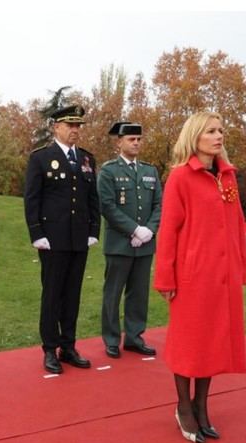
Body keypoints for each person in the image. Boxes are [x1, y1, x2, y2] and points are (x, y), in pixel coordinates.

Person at [154, 111, 246, 443]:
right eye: (211, 130)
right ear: (195, 136)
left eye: (221, 129)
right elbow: (168, 231)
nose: (219, 135)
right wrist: (165, 277)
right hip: (192, 276)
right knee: (188, 343)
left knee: (213, 342)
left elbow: (236, 224)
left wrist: (240, 268)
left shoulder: (227, 176)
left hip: (223, 277)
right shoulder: (181, 177)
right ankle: (183, 406)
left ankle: (201, 406)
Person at [24, 105, 101, 374]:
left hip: (79, 238)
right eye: (70, 125)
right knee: (52, 294)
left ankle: (68, 346)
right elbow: (32, 199)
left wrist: (94, 230)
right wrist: (37, 234)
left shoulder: (87, 159)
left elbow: (93, 198)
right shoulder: (42, 158)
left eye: (78, 125)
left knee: (72, 295)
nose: (75, 130)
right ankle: (49, 349)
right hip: (53, 239)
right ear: (56, 127)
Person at [97, 122, 162, 359]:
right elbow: (107, 207)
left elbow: (158, 205)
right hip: (119, 244)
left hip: (145, 244)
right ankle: (112, 339)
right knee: (113, 294)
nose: (136, 143)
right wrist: (134, 230)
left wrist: (149, 231)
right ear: (119, 142)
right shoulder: (108, 171)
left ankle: (134, 338)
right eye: (131, 139)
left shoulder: (149, 171)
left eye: (138, 139)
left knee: (138, 294)